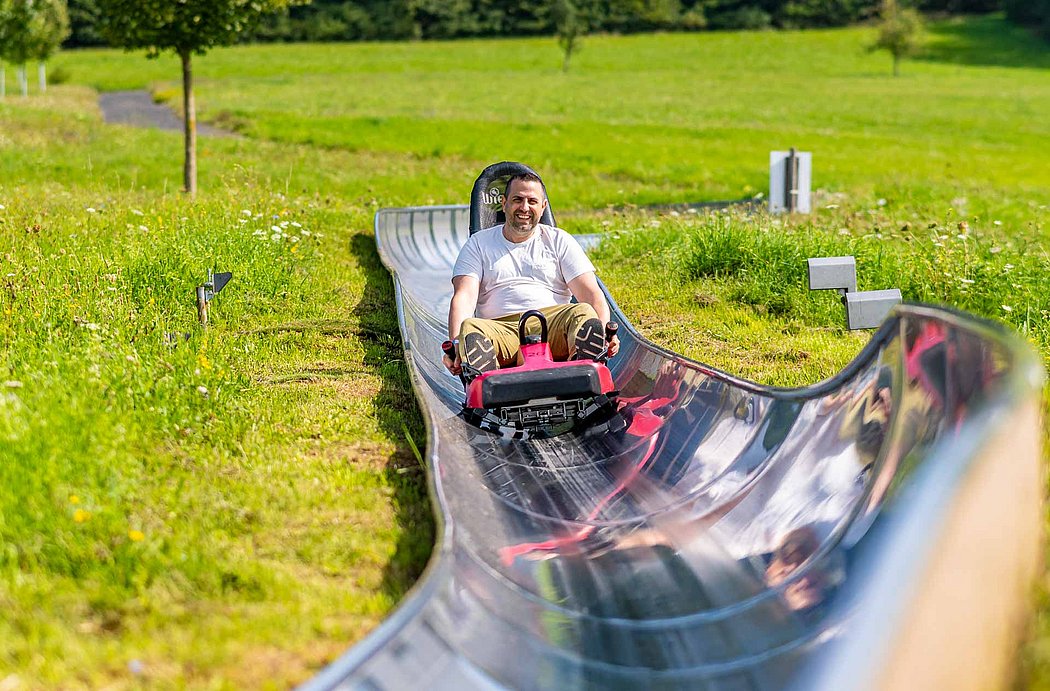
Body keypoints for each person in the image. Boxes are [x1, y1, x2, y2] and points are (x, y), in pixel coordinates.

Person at [443, 171, 620, 376]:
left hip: (554, 326)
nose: (525, 208)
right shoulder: (478, 244)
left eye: (532, 201)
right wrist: (456, 343)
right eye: (517, 200)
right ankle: (487, 383)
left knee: (584, 312)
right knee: (470, 328)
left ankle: (585, 372)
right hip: (501, 330)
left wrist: (606, 333)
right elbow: (463, 296)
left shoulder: (559, 240)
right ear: (504, 203)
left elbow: (591, 294)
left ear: (543, 206)